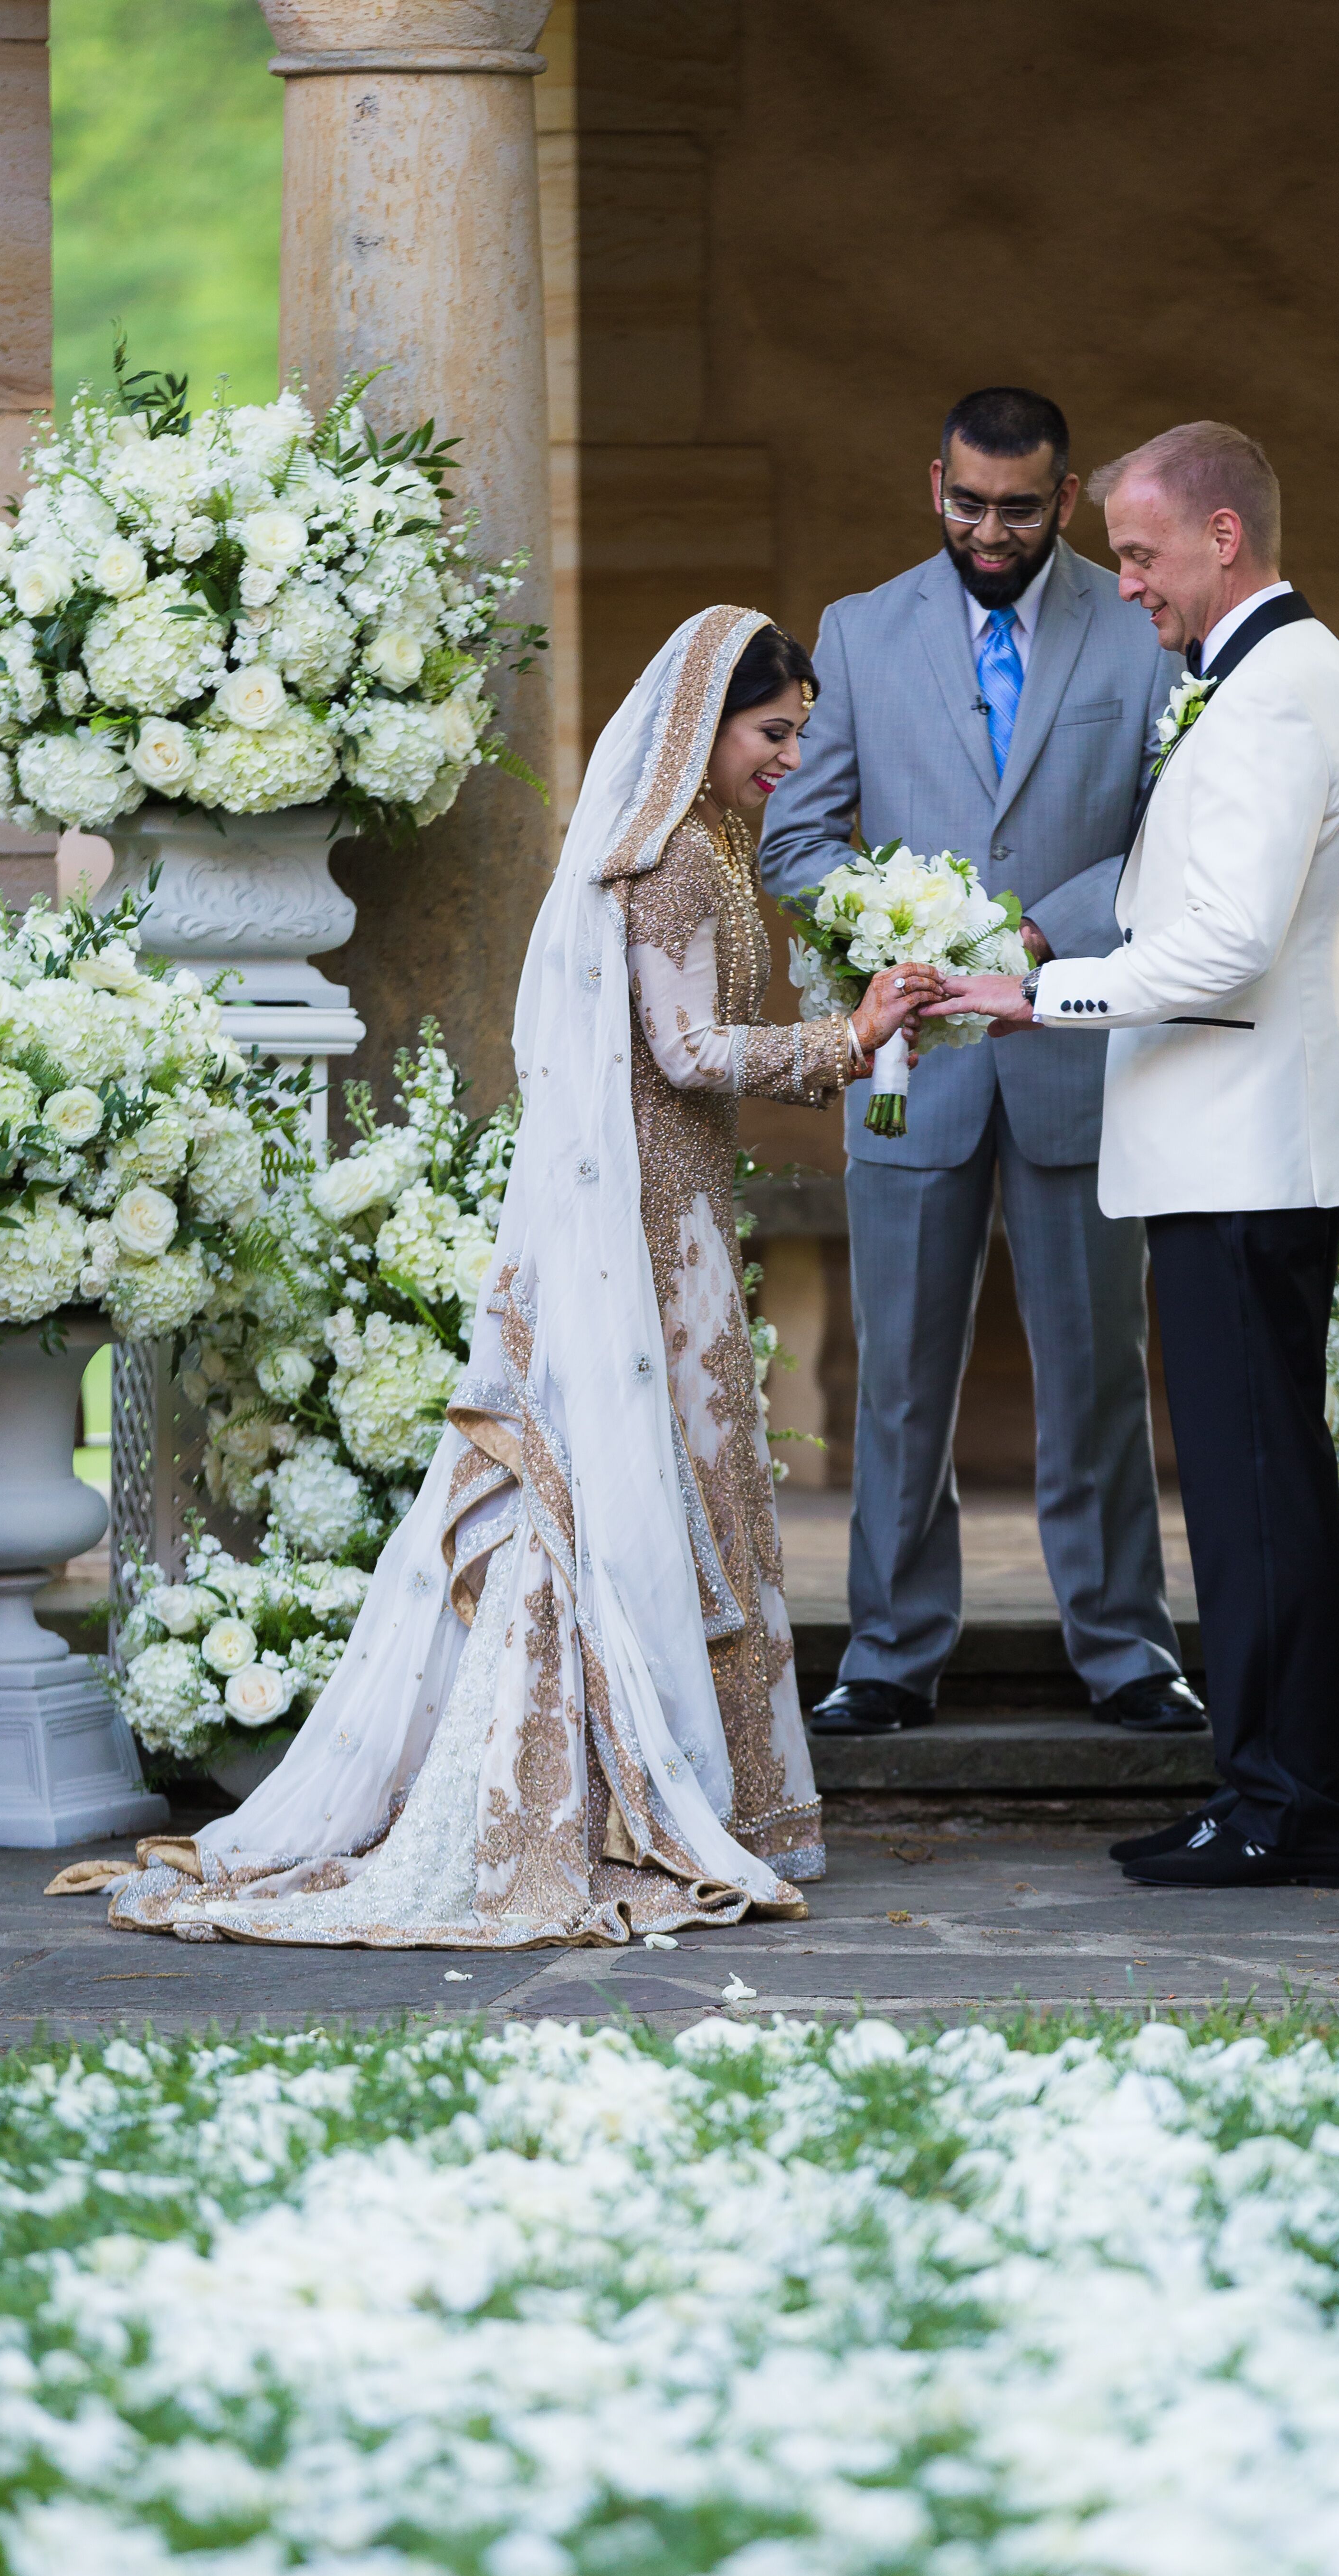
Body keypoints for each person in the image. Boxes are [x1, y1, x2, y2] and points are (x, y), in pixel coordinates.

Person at [105, 607, 936, 1948]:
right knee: (649, 1491)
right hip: (648, 1238)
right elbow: (685, 1053)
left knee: (700, 1490)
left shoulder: (713, 850)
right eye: (774, 733)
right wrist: (845, 1040)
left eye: (798, 736)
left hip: (679, 1223)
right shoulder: (663, 860)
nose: (790, 757)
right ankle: (624, 1796)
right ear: (702, 725)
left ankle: (719, 1793)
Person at [931, 419, 1339, 1889]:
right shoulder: (1256, 678)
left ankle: (1282, 1811)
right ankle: (1269, 1794)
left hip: (1244, 1159)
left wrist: (1036, 996)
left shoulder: (1271, 699)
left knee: (1257, 1506)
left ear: (1222, 539)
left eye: (1137, 552)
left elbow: (1226, 948)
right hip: (1234, 1154)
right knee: (1256, 1502)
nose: (1122, 581)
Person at [760, 385, 1196, 1741]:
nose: (989, 530)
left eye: (1018, 508)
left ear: (1064, 501)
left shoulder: (1133, 631)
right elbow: (795, 839)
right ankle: (889, 1653)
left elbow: (1177, 828)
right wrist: (896, 924)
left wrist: (1039, 928)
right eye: (967, 503)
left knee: (1098, 1370)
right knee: (899, 1379)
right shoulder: (858, 632)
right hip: (916, 1068)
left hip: (1073, 1049)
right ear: (931, 484)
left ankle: (1127, 1649)